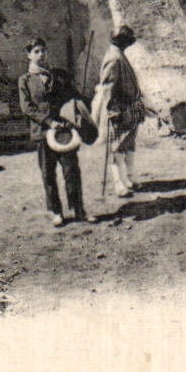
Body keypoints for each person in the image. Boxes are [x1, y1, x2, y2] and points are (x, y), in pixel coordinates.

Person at [18, 38, 88, 226]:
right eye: (36, 51)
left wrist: (81, 101)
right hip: (42, 133)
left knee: (71, 170)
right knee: (48, 174)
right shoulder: (25, 80)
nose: (41, 54)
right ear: (29, 55)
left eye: (43, 51)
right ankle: (56, 212)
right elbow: (27, 108)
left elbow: (72, 96)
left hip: (64, 130)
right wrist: (49, 122)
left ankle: (78, 210)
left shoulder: (59, 75)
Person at [92, 24, 147, 197]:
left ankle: (130, 178)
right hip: (119, 110)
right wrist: (113, 112)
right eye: (128, 41)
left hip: (129, 108)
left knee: (128, 144)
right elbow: (108, 89)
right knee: (116, 148)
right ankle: (118, 184)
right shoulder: (113, 59)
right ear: (122, 41)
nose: (129, 44)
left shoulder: (119, 55)